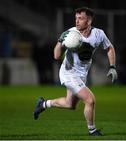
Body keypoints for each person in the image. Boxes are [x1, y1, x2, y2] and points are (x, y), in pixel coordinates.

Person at [33, 7, 118, 136]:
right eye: (76, 18)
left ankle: (43, 104)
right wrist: (60, 42)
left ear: (89, 21)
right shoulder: (70, 33)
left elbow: (110, 48)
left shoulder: (98, 34)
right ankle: (92, 130)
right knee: (90, 100)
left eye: (80, 18)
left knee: (70, 104)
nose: (77, 21)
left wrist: (112, 67)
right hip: (68, 73)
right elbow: (56, 56)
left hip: (81, 74)